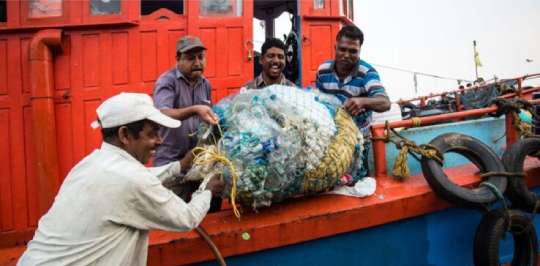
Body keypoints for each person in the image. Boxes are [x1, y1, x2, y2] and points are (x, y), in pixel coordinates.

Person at [17, 93, 224, 266]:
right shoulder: (132, 179)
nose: (159, 142)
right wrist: (207, 189)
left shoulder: (91, 164)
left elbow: (141, 178)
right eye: (152, 134)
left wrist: (180, 165)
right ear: (125, 135)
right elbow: (186, 218)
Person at [315, 24, 391, 183]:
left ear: (360, 51)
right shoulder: (322, 71)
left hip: (359, 142)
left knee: (355, 181)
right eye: (342, 49)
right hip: (330, 139)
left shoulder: (367, 73)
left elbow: (385, 103)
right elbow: (318, 101)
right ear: (335, 47)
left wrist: (362, 101)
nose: (346, 55)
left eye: (353, 51)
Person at [153, 36, 222, 209]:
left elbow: (206, 119)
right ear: (178, 59)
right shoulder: (167, 81)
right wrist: (194, 109)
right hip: (172, 164)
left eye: (201, 57)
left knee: (206, 211)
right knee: (173, 217)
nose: (197, 62)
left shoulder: (205, 84)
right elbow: (162, 113)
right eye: (191, 58)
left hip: (199, 163)